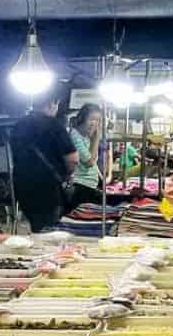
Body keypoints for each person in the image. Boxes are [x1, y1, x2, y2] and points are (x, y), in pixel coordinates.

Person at [9, 90, 77, 232]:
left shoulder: (18, 126)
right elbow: (72, 160)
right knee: (49, 231)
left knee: (37, 226)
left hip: (23, 186)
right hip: (49, 189)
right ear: (52, 103)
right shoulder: (54, 125)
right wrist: (68, 174)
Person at [67, 103, 109, 208]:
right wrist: (96, 139)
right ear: (82, 118)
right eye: (92, 119)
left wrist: (103, 180)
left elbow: (94, 165)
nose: (94, 124)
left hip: (89, 185)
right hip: (79, 187)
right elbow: (90, 162)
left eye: (98, 120)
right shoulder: (75, 136)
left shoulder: (86, 137)